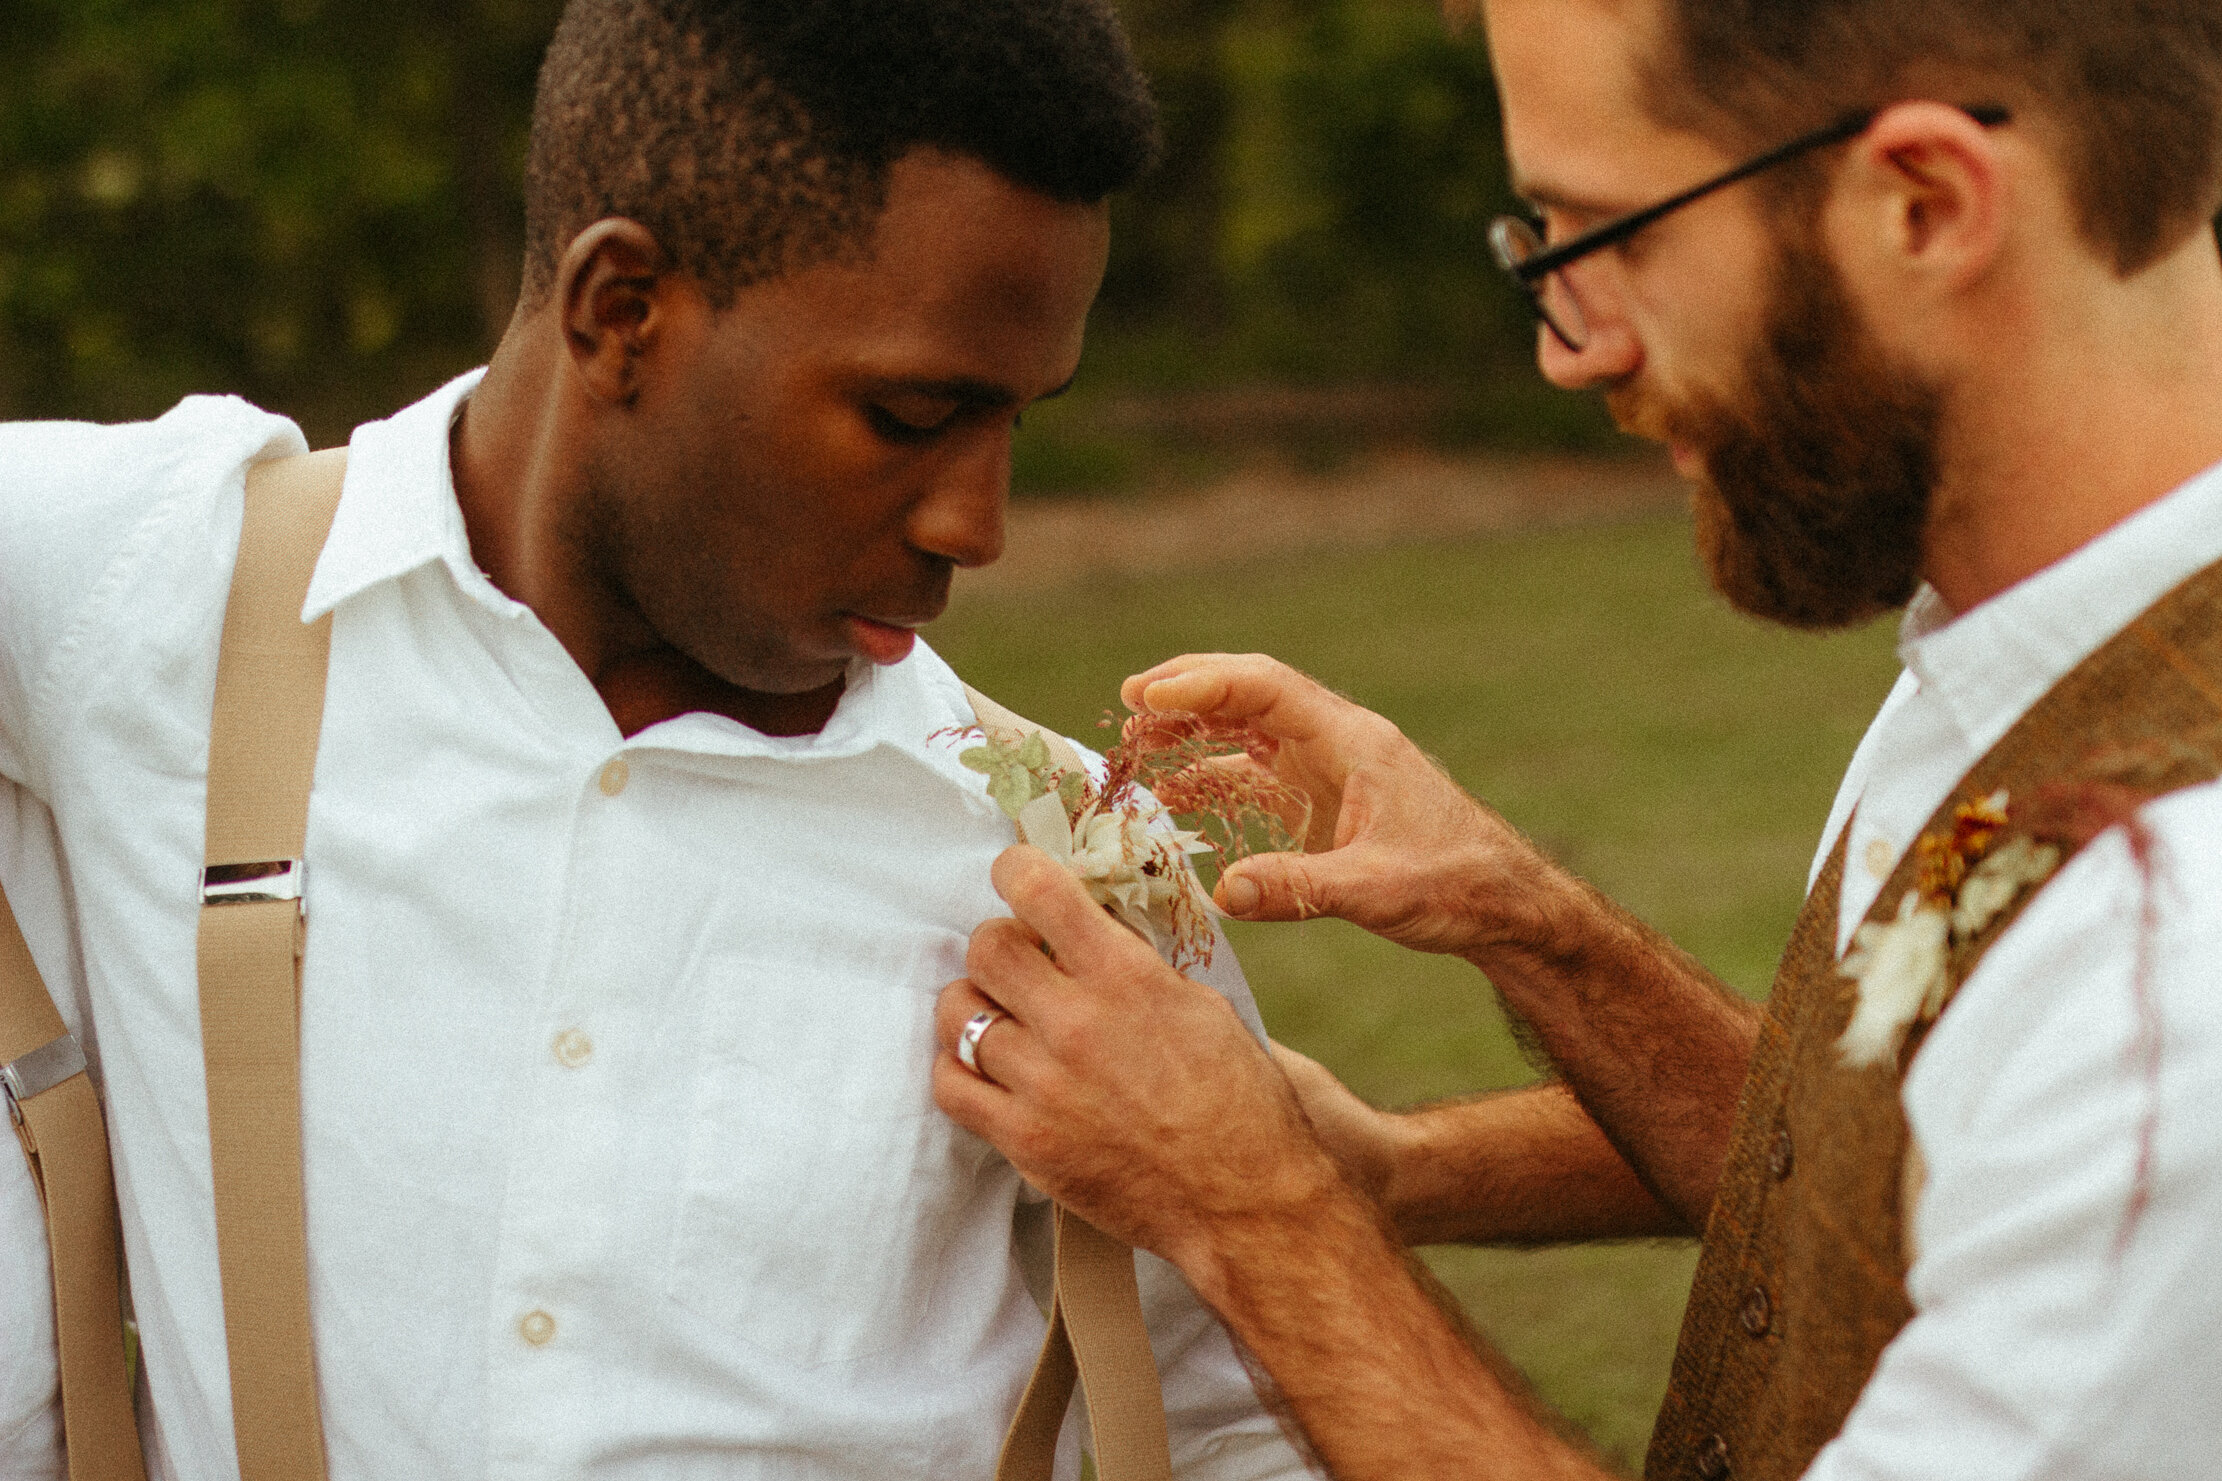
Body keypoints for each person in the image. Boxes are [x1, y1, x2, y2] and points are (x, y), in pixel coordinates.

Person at [0, 2, 1312, 1476]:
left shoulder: (1064, 862)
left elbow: (1229, 1421)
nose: (978, 524)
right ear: (618, 309)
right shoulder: (146, 596)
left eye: (1018, 422)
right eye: (911, 413)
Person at [932, 1, 2222, 1478]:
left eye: (1600, 233)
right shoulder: (2029, 646)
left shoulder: (2176, 954)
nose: (1567, 345)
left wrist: (1256, 1211)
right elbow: (1921, 1163)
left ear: (1922, 204)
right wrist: (1523, 931)